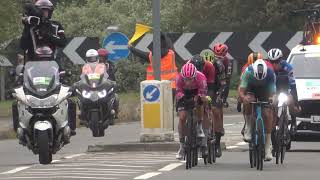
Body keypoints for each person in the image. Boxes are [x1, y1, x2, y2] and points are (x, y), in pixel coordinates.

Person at [238, 59, 276, 161]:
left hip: (265, 89)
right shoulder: (248, 72)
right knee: (247, 101)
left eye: (261, 78)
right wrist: (244, 97)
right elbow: (241, 91)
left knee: (267, 113)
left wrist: (272, 99)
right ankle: (249, 126)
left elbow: (273, 92)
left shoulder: (270, 73)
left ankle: (268, 146)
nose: (259, 80)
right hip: (251, 88)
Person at [189, 54, 220, 157]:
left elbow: (211, 87)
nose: (198, 70)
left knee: (207, 106)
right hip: (192, 86)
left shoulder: (210, 67)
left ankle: (205, 141)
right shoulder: (188, 66)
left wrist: (208, 99)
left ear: (203, 66)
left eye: (200, 68)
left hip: (206, 86)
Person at [175, 63, 207, 160]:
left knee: (199, 104)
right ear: (182, 76)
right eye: (186, 79)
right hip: (184, 93)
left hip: (196, 92)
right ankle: (181, 146)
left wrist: (199, 98)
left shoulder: (201, 78)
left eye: (190, 79)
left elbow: (203, 93)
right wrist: (183, 98)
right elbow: (178, 92)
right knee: (182, 117)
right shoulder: (179, 78)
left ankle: (200, 126)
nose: (188, 82)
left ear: (195, 76)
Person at [267, 48, 301, 130]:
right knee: (273, 103)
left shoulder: (288, 67)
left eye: (277, 61)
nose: (274, 64)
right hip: (274, 90)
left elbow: (293, 85)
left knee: (290, 101)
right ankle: (274, 119)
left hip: (285, 89)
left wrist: (296, 103)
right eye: (272, 62)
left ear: (281, 60)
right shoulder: (268, 69)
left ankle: (293, 121)